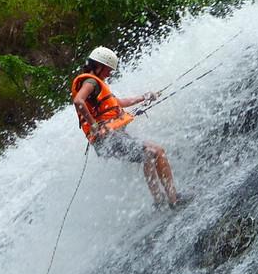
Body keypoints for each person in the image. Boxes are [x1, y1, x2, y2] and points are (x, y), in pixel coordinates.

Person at [72, 46, 186, 209]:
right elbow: (78, 101)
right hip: (107, 138)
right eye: (108, 70)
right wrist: (95, 126)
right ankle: (174, 199)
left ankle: (159, 201)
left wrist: (144, 97)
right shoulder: (90, 82)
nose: (109, 74)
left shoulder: (96, 85)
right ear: (99, 66)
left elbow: (119, 103)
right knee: (157, 151)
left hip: (109, 139)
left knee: (148, 155)